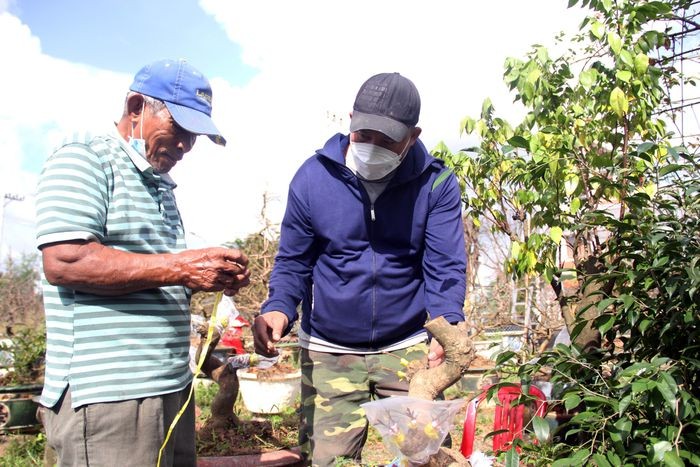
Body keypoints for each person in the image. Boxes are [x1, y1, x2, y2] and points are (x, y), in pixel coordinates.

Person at [35, 58, 250, 467]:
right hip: (111, 398)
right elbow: (65, 261)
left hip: (171, 388)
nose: (187, 144)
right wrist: (182, 267)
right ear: (136, 108)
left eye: (195, 134)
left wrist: (208, 273)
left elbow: (152, 271)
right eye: (179, 128)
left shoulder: (157, 183)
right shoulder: (85, 157)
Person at [252, 72, 467, 466]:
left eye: (387, 140)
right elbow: (293, 260)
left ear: (413, 136)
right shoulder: (313, 179)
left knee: (428, 456)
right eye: (363, 134)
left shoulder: (435, 184)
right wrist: (279, 306)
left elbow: (445, 265)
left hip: (406, 349)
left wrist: (447, 320)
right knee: (327, 461)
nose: (372, 147)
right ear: (350, 120)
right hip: (329, 350)